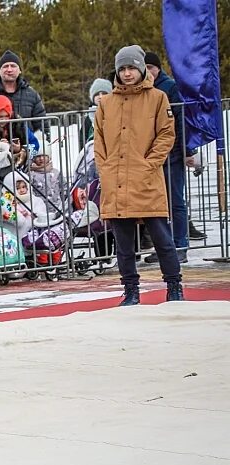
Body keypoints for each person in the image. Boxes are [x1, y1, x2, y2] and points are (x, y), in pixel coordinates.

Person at [95, 45, 183, 305]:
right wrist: (106, 168)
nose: (127, 73)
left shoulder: (157, 98)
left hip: (146, 179)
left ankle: (174, 286)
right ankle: (131, 290)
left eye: (131, 67)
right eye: (122, 68)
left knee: (161, 238)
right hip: (116, 180)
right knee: (123, 244)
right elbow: (98, 140)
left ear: (141, 68)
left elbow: (166, 134)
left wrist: (150, 164)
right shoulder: (107, 103)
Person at [144, 51, 199, 262]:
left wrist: (187, 150)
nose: (148, 71)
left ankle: (180, 244)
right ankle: (164, 246)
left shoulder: (170, 87)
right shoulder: (143, 90)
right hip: (150, 155)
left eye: (151, 67)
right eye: (145, 68)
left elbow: (181, 119)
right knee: (157, 203)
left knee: (175, 201)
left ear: (158, 68)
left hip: (172, 153)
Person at [0, 50, 47, 135]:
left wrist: (43, 142)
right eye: (5, 66)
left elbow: (42, 125)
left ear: (20, 70)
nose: (9, 69)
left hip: (27, 145)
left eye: (13, 66)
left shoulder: (32, 95)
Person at [28, 140, 67, 209]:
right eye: (38, 156)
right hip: (39, 210)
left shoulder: (56, 172)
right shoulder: (31, 174)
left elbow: (64, 188)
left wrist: (64, 203)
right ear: (33, 158)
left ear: (49, 157)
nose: (41, 158)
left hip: (58, 208)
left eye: (44, 155)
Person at [83, 78, 112, 143]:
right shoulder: (89, 117)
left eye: (104, 93)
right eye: (97, 94)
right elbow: (83, 138)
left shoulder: (115, 113)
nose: (100, 97)